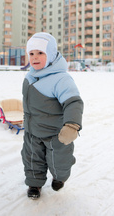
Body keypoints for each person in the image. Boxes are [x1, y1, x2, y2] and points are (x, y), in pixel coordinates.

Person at [21, 32, 83, 199]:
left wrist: (71, 125)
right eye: (31, 53)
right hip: (33, 132)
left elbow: (73, 102)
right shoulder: (30, 76)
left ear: (51, 54)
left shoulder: (61, 79)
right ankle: (34, 184)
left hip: (56, 134)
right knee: (32, 160)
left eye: (40, 53)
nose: (35, 57)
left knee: (59, 162)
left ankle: (59, 177)